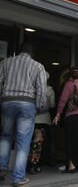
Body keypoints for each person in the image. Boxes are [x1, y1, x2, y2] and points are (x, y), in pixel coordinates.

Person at [0, 43, 47, 186]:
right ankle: (18, 178)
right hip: (27, 103)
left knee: (5, 137)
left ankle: (1, 169)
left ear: (18, 51)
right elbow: (41, 90)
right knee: (23, 141)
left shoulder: (5, 62)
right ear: (32, 53)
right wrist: (39, 107)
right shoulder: (38, 66)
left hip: (7, 102)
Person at [53, 68, 78, 173]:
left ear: (69, 77)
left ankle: (71, 166)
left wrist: (58, 114)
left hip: (73, 117)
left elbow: (63, 100)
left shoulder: (69, 84)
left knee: (71, 142)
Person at [28, 72, 55, 174]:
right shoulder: (49, 90)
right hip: (44, 120)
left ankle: (29, 163)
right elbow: (52, 105)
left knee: (29, 143)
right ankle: (35, 164)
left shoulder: (31, 89)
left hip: (31, 119)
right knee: (38, 143)